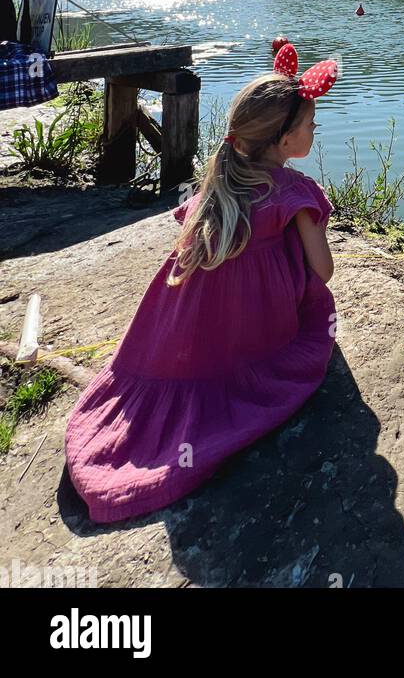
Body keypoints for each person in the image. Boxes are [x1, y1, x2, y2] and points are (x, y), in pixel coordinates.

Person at [64, 44, 339, 524]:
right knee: (309, 314)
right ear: (287, 139)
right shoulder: (296, 191)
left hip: (185, 332)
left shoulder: (215, 187)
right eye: (311, 125)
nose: (315, 130)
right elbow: (323, 271)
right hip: (254, 328)